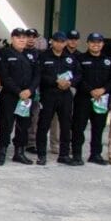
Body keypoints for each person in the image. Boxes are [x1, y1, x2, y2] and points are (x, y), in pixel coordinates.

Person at [35, 31, 80, 165]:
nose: (59, 44)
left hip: (65, 95)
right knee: (43, 125)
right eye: (57, 41)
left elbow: (78, 74)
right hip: (48, 94)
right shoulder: (43, 56)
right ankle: (41, 155)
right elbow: (39, 75)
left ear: (65, 43)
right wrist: (55, 81)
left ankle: (64, 155)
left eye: (62, 42)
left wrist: (70, 83)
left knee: (65, 125)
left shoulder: (70, 58)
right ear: (52, 41)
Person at [72, 32, 111, 166]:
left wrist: (103, 90)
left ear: (102, 44)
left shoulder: (108, 61)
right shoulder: (80, 59)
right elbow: (77, 78)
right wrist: (91, 90)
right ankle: (77, 155)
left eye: (98, 42)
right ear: (88, 43)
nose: (96, 45)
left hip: (102, 99)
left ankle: (95, 155)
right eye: (93, 42)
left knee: (99, 127)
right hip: (83, 98)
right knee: (78, 127)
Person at [0, 28, 38, 166]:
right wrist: (19, 91)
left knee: (23, 125)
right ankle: (1, 153)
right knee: (5, 125)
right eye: (18, 37)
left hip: (26, 97)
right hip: (10, 96)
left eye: (24, 37)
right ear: (12, 39)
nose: (22, 40)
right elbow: (4, 76)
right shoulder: (5, 53)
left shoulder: (32, 55)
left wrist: (30, 90)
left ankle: (19, 153)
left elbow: (37, 75)